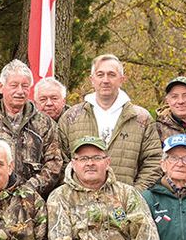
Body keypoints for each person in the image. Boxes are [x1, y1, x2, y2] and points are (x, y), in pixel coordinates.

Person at [58, 54, 161, 191]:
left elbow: (153, 161)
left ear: (122, 79)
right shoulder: (71, 117)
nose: (105, 80)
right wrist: (75, 192)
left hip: (125, 206)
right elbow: (61, 160)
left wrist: (135, 195)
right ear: (92, 79)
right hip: (79, 205)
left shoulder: (141, 118)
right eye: (100, 74)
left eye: (111, 74)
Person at [0, 60, 64, 198]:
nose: (20, 91)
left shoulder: (44, 122)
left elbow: (54, 162)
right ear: (1, 86)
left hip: (33, 201)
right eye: (14, 85)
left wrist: (29, 189)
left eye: (25, 86)